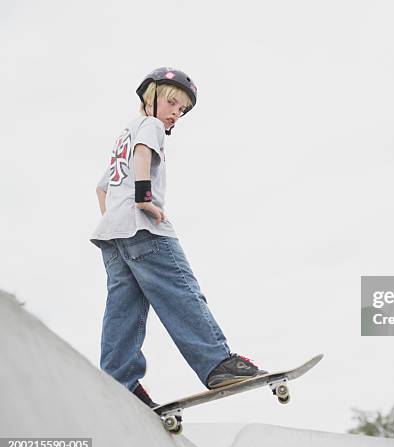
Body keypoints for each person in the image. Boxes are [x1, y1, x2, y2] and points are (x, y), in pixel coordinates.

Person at [90, 67, 267, 409]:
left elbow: (101, 188)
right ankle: (217, 362)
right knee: (179, 290)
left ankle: (118, 383)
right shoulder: (148, 127)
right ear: (150, 97)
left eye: (182, 109)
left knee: (123, 310)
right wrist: (144, 200)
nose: (175, 113)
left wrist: (116, 219)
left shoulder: (123, 137)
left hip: (113, 238)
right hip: (144, 229)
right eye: (171, 102)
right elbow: (144, 152)